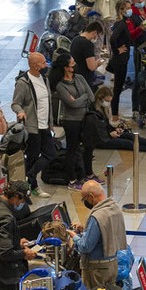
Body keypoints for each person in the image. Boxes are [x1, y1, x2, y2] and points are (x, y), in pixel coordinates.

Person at [68, 181, 129, 290]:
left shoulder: (97, 216)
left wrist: (74, 236)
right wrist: (85, 230)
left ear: (91, 197)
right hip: (112, 264)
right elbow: (106, 232)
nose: (85, 202)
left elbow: (85, 247)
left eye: (84, 199)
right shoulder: (114, 208)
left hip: (97, 270)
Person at [12, 52, 55, 199]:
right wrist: (21, 112)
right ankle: (32, 186)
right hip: (32, 126)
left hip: (44, 125)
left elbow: (47, 102)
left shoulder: (45, 79)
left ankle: (30, 175)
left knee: (50, 153)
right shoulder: (23, 83)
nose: (46, 65)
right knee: (32, 156)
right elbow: (15, 103)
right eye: (43, 63)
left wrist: (50, 122)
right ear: (35, 65)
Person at [55, 53, 94, 190]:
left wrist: (79, 99)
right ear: (66, 67)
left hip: (84, 118)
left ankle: (85, 174)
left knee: (86, 147)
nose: (75, 64)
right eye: (72, 63)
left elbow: (91, 96)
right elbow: (72, 105)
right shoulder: (61, 85)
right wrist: (82, 99)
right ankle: (72, 178)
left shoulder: (79, 78)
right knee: (72, 149)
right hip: (71, 121)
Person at [91, 87, 146, 152]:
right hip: (101, 140)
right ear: (100, 98)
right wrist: (109, 134)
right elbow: (95, 131)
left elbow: (106, 125)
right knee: (127, 143)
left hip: (107, 135)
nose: (108, 104)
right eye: (107, 101)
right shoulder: (93, 112)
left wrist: (115, 129)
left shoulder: (103, 109)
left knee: (131, 136)